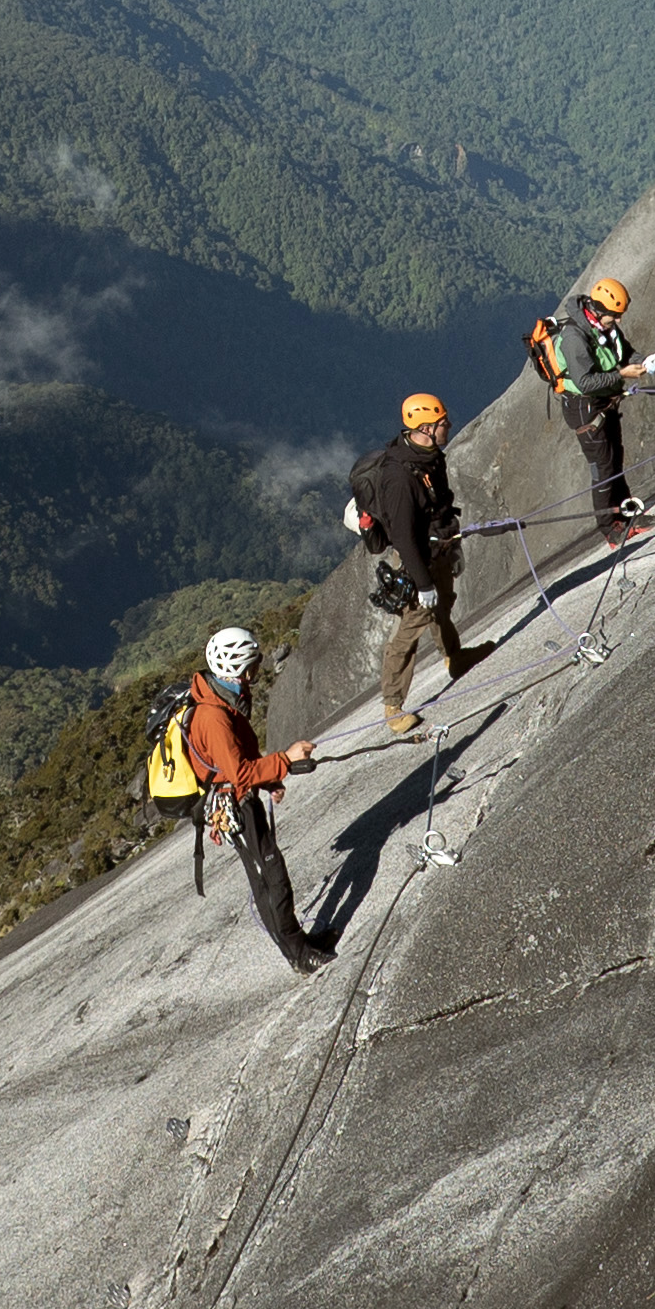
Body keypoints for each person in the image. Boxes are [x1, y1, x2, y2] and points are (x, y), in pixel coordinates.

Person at [188, 626, 334, 975]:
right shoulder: (213, 717)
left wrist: (270, 780)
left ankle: (300, 941)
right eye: (252, 665)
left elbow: (244, 757)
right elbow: (238, 773)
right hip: (235, 806)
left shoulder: (225, 697)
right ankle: (298, 954)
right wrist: (285, 759)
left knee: (271, 875)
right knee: (270, 879)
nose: (256, 672)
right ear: (237, 667)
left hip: (243, 797)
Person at [350, 392, 473, 738]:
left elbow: (441, 506)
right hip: (415, 560)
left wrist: (453, 545)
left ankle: (455, 658)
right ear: (426, 428)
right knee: (412, 626)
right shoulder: (400, 478)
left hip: (439, 549)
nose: (449, 424)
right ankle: (392, 707)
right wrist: (422, 584)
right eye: (443, 422)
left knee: (444, 604)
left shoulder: (430, 457)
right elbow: (403, 537)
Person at [544, 274, 655, 550]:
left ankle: (629, 515)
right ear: (598, 310)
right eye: (615, 315)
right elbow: (584, 381)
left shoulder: (602, 327)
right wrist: (622, 374)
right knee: (602, 467)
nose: (619, 320)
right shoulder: (575, 337)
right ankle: (611, 530)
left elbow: (625, 351)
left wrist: (641, 361)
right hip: (584, 407)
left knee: (615, 459)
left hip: (603, 401)